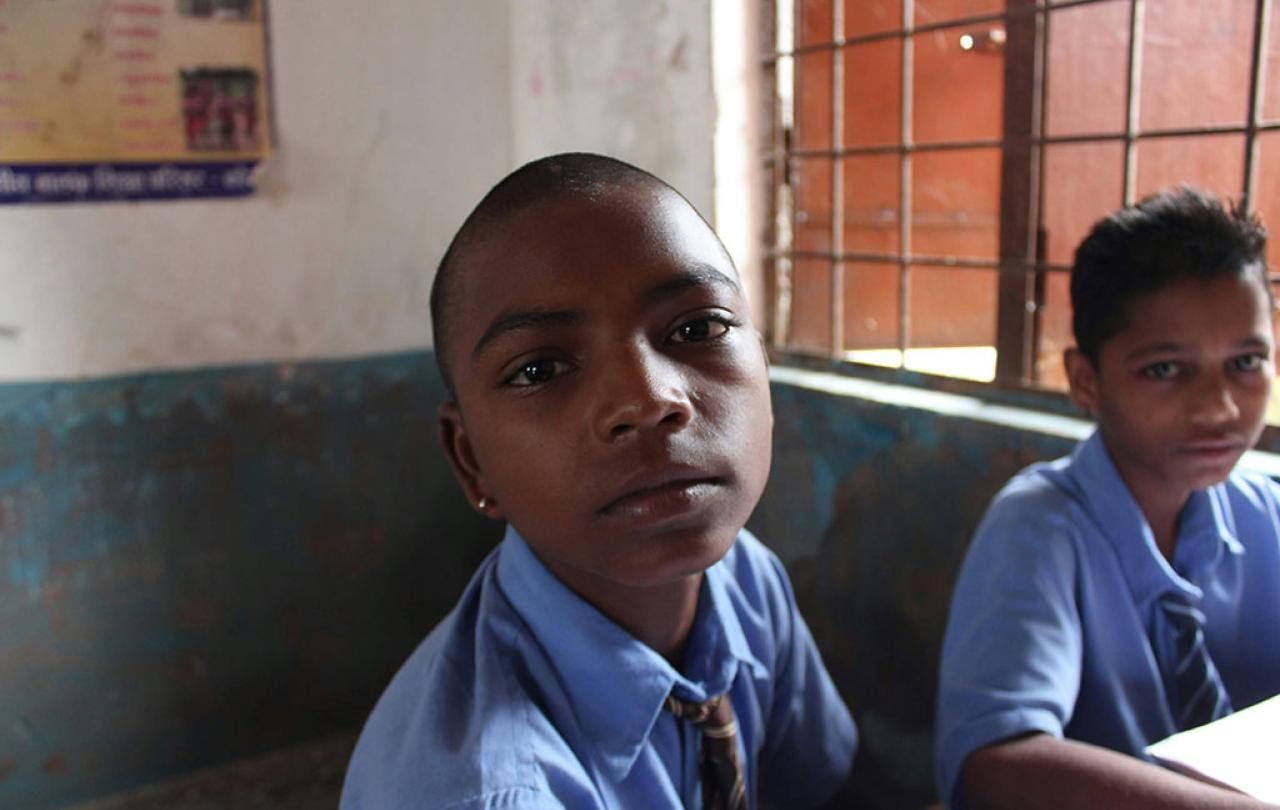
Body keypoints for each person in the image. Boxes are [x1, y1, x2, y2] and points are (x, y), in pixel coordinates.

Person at [340, 153, 857, 809]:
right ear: (471, 461)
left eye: (698, 328)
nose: (647, 400)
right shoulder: (496, 789)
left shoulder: (745, 584)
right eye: (540, 370)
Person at [935, 186, 1280, 809]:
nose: (1219, 408)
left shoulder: (1269, 512)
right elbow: (995, 762)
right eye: (1165, 370)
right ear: (1086, 381)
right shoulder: (1040, 527)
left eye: (1246, 362)